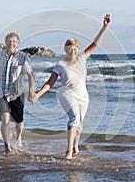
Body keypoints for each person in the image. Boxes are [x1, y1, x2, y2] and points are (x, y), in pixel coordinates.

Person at [33, 14, 111, 159]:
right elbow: (50, 83)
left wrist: (104, 27)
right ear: (65, 49)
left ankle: (75, 147)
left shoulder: (82, 58)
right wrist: (37, 95)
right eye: (70, 49)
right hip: (66, 94)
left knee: (80, 122)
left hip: (83, 95)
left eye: (75, 49)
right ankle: (68, 151)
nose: (73, 51)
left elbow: (95, 44)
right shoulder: (60, 65)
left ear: (77, 49)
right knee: (74, 118)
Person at [0, 32, 36, 154]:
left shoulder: (23, 57)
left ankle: (18, 138)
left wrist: (31, 91)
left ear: (18, 43)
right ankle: (7, 147)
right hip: (1, 93)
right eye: (9, 41)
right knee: (5, 119)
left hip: (17, 93)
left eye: (14, 41)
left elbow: (31, 75)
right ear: (5, 43)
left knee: (19, 122)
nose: (11, 43)